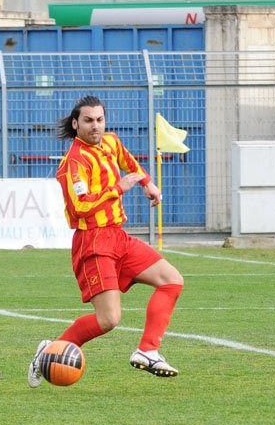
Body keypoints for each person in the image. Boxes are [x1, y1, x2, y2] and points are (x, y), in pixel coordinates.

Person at [27, 95, 185, 386]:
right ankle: (48, 352)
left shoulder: (110, 141)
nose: (95, 126)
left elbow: (128, 159)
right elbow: (80, 206)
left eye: (99, 120)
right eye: (88, 120)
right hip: (94, 242)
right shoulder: (73, 164)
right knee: (108, 320)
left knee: (172, 281)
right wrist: (118, 188)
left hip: (118, 237)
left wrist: (147, 183)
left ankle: (148, 350)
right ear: (75, 124)